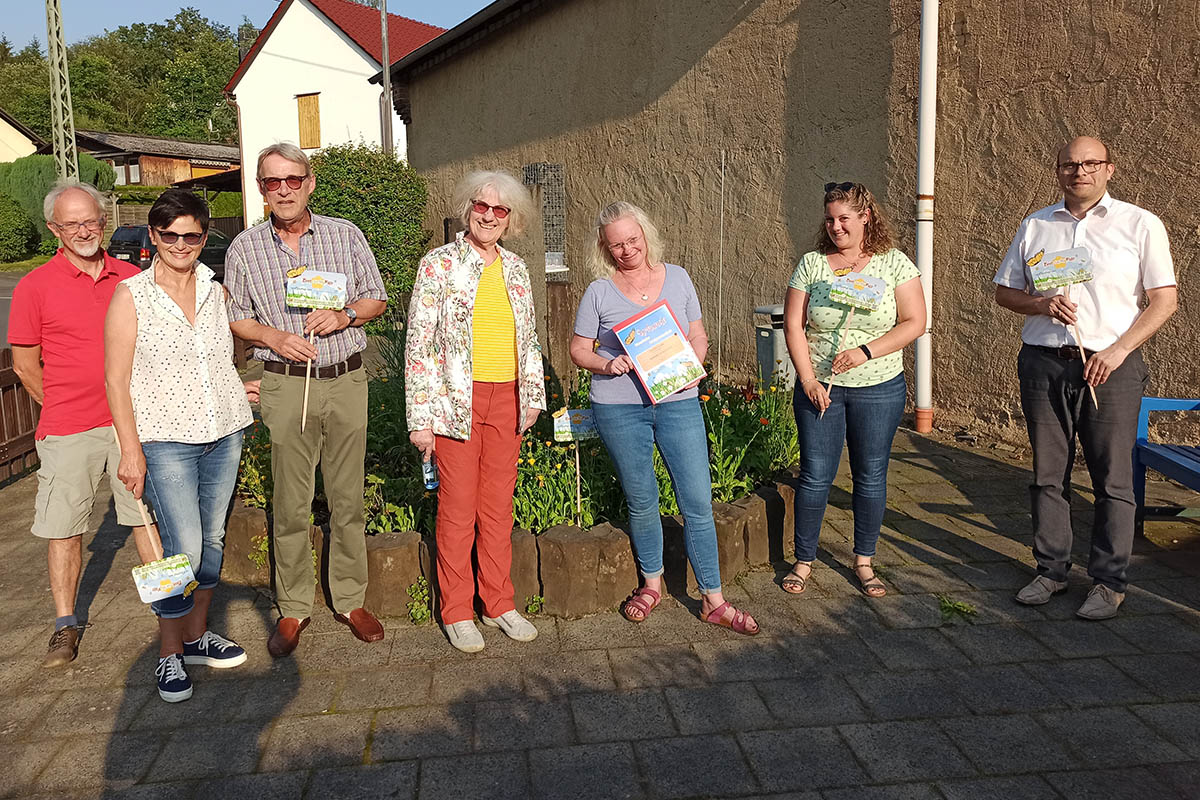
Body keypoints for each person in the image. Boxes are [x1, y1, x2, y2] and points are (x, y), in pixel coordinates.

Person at [995, 136, 1177, 620]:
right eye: (1069, 165)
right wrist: (1040, 303)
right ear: (1058, 171)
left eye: (1090, 163)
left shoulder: (1140, 224)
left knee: (1113, 478)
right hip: (1044, 360)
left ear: (1109, 169)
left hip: (1111, 366)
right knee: (1046, 475)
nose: (1079, 172)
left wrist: (1117, 351)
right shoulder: (1036, 224)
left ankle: (1108, 581)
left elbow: (1164, 300)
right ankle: (1052, 570)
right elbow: (1005, 291)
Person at [226, 143, 388, 657]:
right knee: (291, 503)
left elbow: (377, 298)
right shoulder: (245, 249)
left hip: (344, 378)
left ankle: (350, 599)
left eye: (293, 180)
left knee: (348, 499)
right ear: (261, 189)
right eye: (273, 182)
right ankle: (294, 607)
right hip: (285, 382)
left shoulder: (346, 235)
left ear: (310, 182)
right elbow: (237, 317)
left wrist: (345, 316)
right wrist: (273, 338)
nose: (285, 190)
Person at [570, 201, 759, 635]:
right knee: (642, 500)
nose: (627, 250)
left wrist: (694, 360)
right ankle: (651, 584)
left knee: (696, 500)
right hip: (620, 407)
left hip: (677, 399)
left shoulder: (678, 276)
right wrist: (606, 365)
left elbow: (697, 333)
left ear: (646, 234)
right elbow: (579, 349)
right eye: (616, 244)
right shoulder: (599, 290)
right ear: (604, 246)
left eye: (632, 240)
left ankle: (713, 598)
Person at [105, 189, 255, 702]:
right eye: (170, 235)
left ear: (205, 236)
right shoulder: (131, 297)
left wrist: (238, 384)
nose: (181, 244)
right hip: (165, 439)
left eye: (192, 235)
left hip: (225, 430)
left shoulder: (217, 290)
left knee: (211, 542)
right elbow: (115, 381)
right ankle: (166, 655)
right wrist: (130, 450)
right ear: (153, 236)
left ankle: (196, 638)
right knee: (182, 549)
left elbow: (226, 357)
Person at [7, 182, 159, 668]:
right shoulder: (35, 285)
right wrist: (58, 406)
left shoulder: (131, 276)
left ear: (103, 220)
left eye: (91, 220)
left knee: (145, 518)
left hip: (130, 421)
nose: (84, 231)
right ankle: (65, 625)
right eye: (72, 224)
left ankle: (168, 613)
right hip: (69, 426)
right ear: (55, 229)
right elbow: (25, 365)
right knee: (64, 527)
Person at [406, 170, 546, 653]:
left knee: (497, 509)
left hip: (506, 399)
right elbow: (419, 344)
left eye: (499, 210)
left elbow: (527, 337)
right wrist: (419, 418)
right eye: (481, 207)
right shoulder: (439, 265)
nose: (489, 216)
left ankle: (499, 602)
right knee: (458, 510)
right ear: (468, 209)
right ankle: (457, 610)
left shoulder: (516, 268)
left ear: (511, 220)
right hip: (453, 402)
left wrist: (532, 396)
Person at [782, 182, 926, 598]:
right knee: (815, 476)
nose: (836, 227)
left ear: (866, 216)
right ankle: (804, 559)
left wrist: (866, 351)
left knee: (870, 475)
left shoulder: (894, 263)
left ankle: (864, 560)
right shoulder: (812, 264)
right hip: (820, 388)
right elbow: (794, 325)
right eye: (830, 219)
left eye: (844, 218)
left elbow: (914, 321)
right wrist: (808, 378)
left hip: (878, 386)